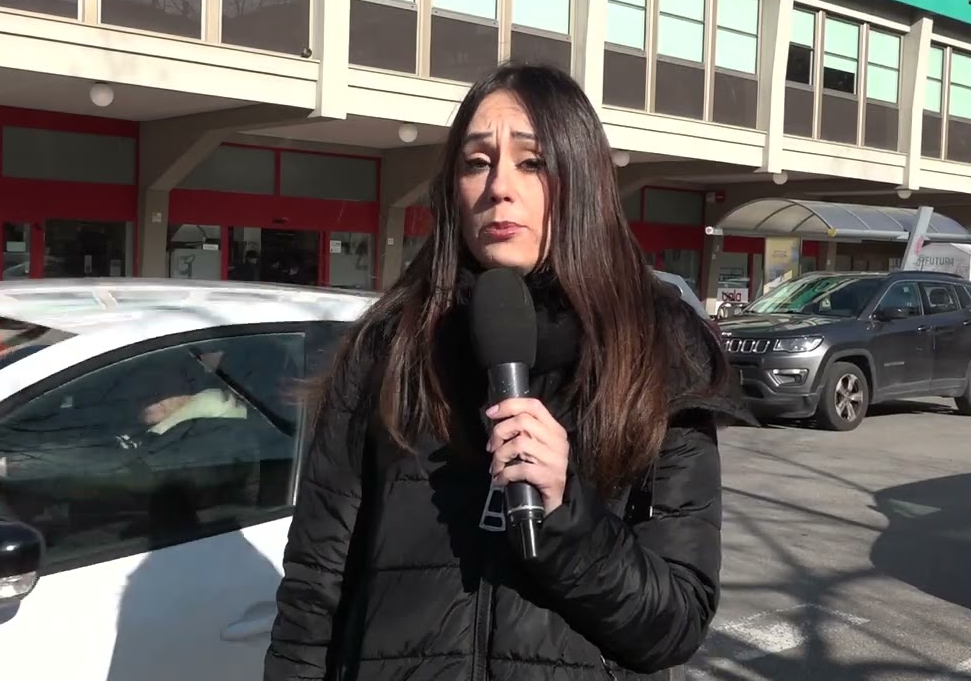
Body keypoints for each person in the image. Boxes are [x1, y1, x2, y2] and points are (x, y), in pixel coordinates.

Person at [263, 62, 754, 680]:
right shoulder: (389, 347)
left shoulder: (659, 350)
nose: (499, 186)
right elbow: (314, 591)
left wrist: (565, 511)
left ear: (580, 179)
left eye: (531, 161)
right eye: (476, 162)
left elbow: (674, 625)